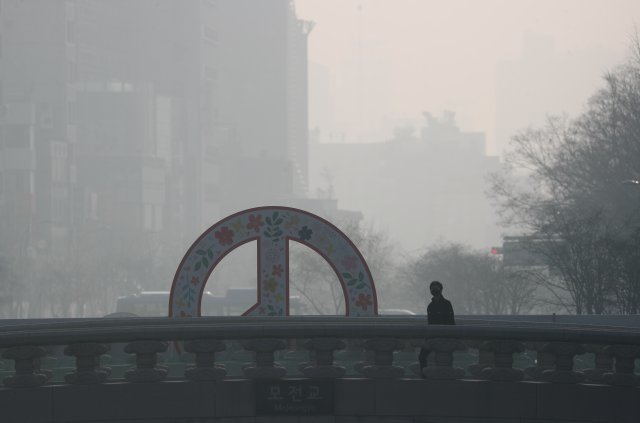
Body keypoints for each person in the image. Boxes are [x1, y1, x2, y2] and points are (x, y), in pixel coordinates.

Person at [418, 280, 455, 377]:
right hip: (432, 336)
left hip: (445, 336)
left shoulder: (447, 304)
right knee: (421, 357)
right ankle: (424, 375)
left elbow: (451, 322)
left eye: (436, 288)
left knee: (445, 359)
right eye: (432, 288)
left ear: (441, 290)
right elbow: (430, 323)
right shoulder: (430, 306)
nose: (434, 290)